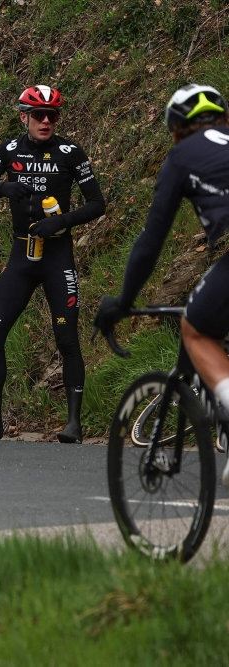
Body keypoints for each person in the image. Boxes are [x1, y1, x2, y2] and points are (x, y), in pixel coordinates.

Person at [0, 85, 106, 443]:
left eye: (52, 115)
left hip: (57, 256)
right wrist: (2, 189)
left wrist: (63, 221)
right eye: (38, 115)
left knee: (66, 337)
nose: (45, 121)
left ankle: (73, 423)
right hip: (22, 255)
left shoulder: (70, 152)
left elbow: (97, 204)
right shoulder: (9, 150)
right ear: (23, 117)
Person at [95, 84, 229, 431]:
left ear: (176, 132)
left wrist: (124, 300)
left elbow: (151, 240)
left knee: (195, 329)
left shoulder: (182, 156)